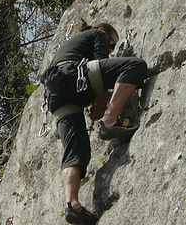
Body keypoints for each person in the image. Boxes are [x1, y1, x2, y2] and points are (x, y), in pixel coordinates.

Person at [41, 22, 147, 225]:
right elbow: (101, 60)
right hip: (76, 75)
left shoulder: (69, 48)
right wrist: (103, 96)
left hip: (55, 98)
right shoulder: (98, 33)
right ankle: (110, 121)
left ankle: (72, 204)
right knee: (135, 65)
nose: (111, 47)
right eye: (111, 44)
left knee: (76, 152)